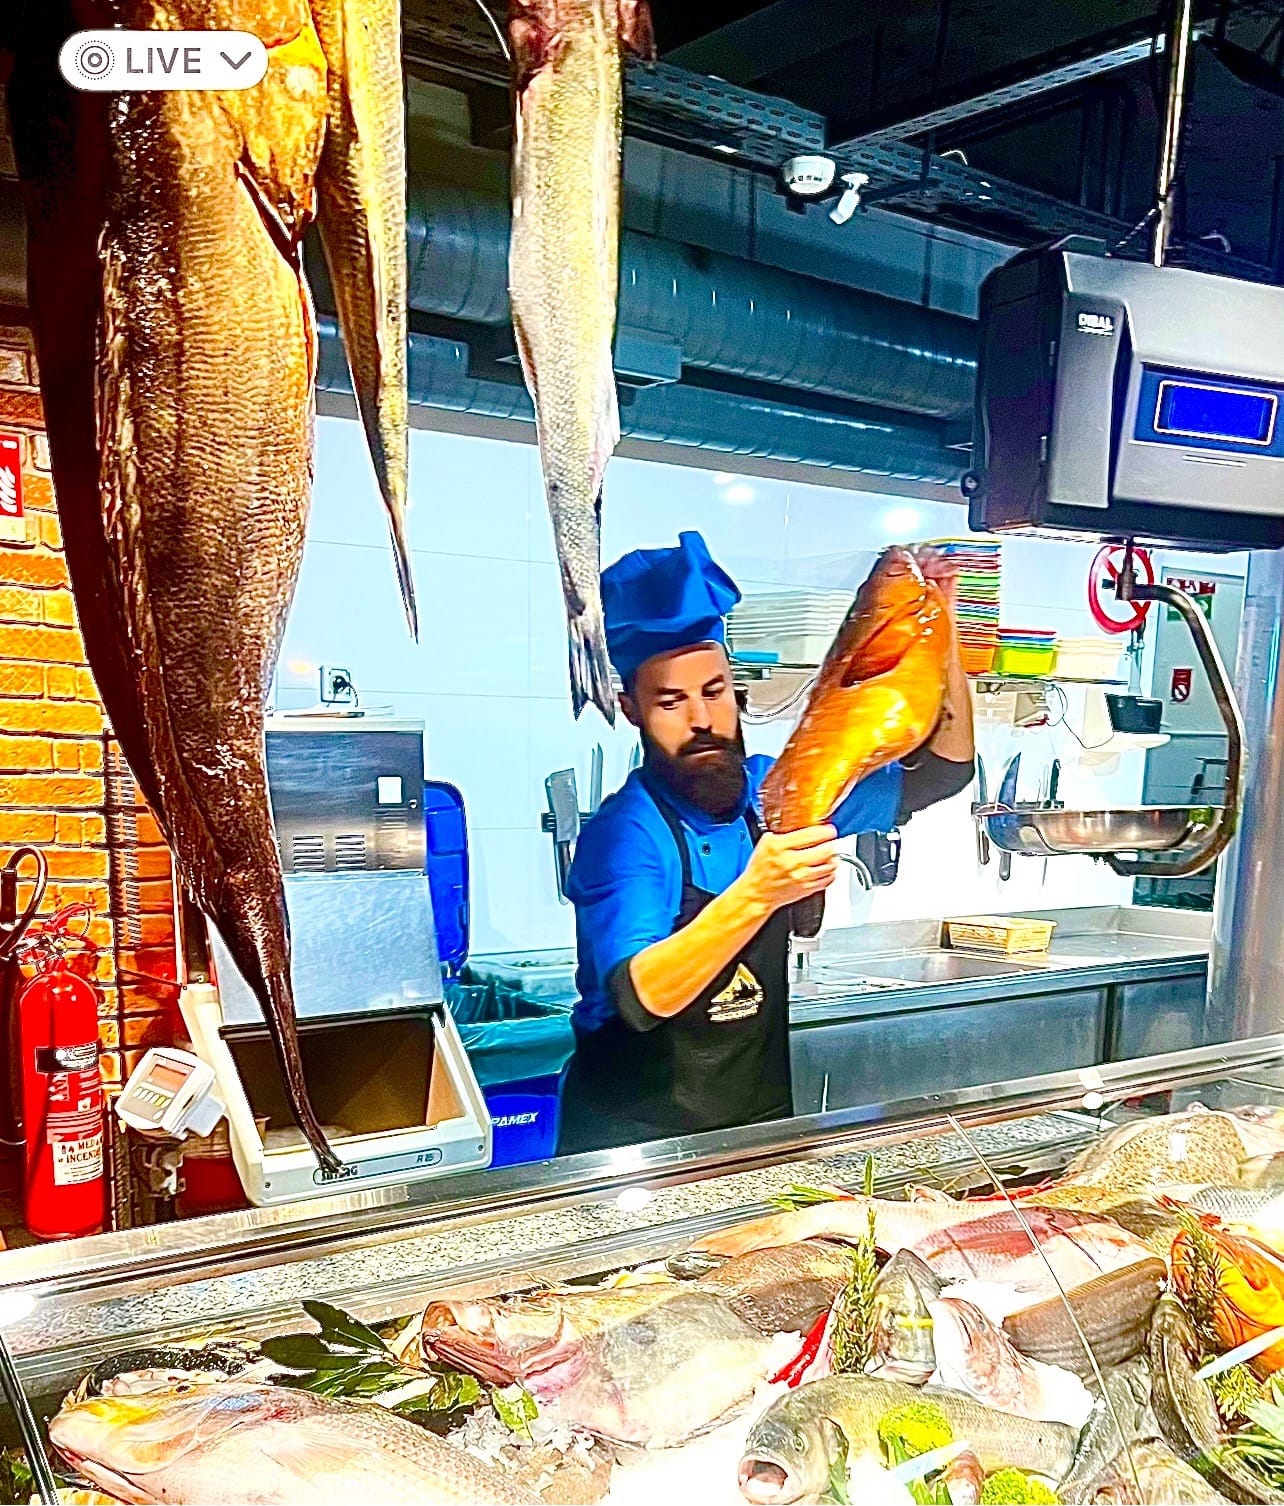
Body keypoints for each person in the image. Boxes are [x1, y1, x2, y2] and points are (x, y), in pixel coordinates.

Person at [556, 531, 975, 1155]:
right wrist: (758, 891)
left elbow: (944, 769)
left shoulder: (773, 789)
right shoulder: (625, 833)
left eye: (714, 692)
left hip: (758, 1131)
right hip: (635, 1150)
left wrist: (938, 636)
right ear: (631, 708)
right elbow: (642, 995)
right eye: (671, 701)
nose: (701, 719)